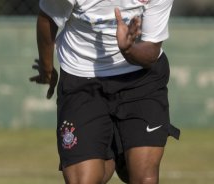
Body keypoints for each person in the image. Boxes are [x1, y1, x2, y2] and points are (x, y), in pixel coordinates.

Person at [30, 0, 180, 183]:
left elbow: (151, 51)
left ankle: (121, 149)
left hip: (140, 81)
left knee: (143, 178)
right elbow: (47, 18)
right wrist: (47, 70)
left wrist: (129, 49)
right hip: (82, 80)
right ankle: (113, 150)